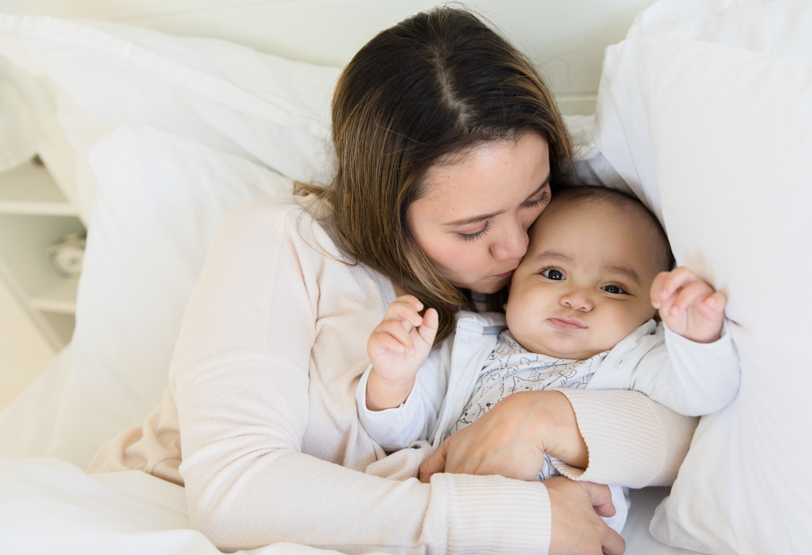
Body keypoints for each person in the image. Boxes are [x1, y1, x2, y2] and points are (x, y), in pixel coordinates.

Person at [88, 7, 700, 555]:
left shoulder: (565, 260)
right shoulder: (282, 243)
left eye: (534, 198)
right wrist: (508, 516)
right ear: (385, 209)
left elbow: (688, 437)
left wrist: (539, 417)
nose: (516, 247)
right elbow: (236, 492)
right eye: (470, 228)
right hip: (163, 515)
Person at [357, 187, 741, 533]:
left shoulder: (635, 357)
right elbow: (399, 433)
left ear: (650, 316)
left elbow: (702, 395)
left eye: (613, 288)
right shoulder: (472, 346)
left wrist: (694, 336)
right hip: (451, 514)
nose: (577, 298)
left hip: (555, 530)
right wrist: (393, 378)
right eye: (554, 273)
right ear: (510, 289)